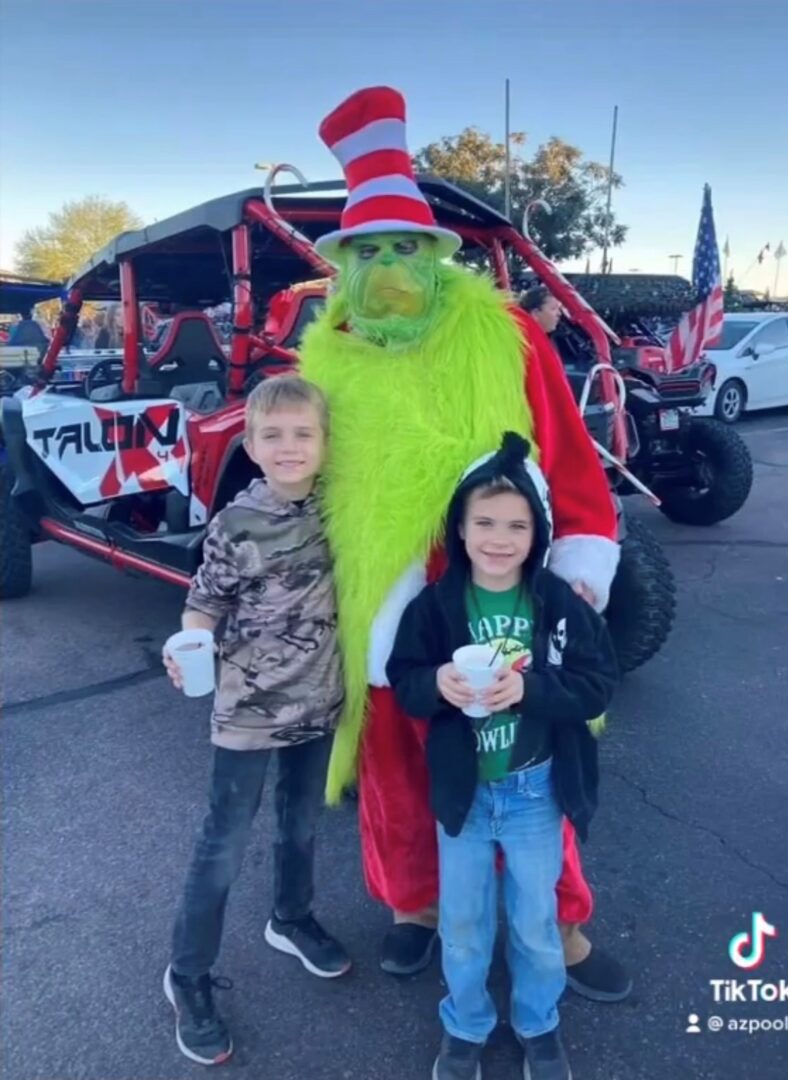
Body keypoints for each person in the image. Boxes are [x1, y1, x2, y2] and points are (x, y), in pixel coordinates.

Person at [299, 85, 631, 1002]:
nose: (389, 265)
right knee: (400, 767)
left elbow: (566, 454)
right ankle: (416, 908)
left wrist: (582, 558)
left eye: (406, 246)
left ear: (439, 259)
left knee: (528, 761)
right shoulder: (326, 359)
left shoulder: (506, 335)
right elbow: (299, 479)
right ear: (345, 266)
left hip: (501, 584)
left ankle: (561, 926)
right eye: (370, 250)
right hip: (387, 602)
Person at [387, 433, 618, 1080]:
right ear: (458, 529)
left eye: (516, 525)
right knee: (462, 923)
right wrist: (435, 684)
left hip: (533, 792)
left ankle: (538, 1025)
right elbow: (401, 674)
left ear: (537, 532)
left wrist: (533, 689)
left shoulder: (558, 604)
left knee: (535, 921)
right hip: (464, 793)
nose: (498, 537)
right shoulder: (434, 606)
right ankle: (464, 1026)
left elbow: (598, 680)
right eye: (483, 522)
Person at [162, 375, 350, 1066]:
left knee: (301, 823)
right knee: (224, 844)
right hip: (246, 708)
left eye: (304, 433)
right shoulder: (236, 522)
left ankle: (291, 918)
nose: (289, 446)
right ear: (250, 443)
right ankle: (186, 975)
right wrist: (188, 644)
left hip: (321, 698)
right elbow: (202, 602)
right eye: (273, 435)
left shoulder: (344, 506)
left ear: (327, 443)